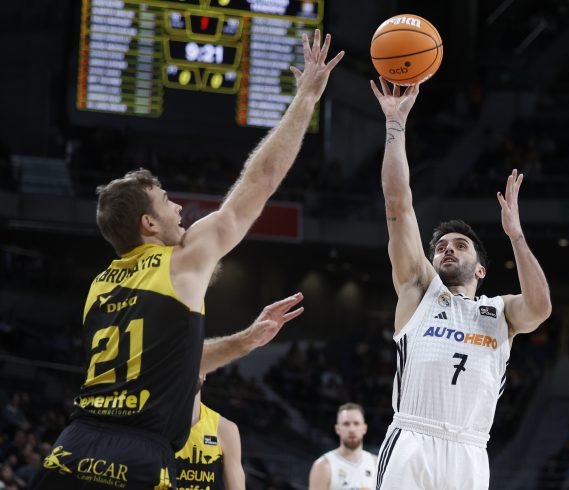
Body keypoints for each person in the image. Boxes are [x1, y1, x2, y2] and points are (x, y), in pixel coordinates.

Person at [29, 30, 343, 490]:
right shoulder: (181, 261)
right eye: (166, 201)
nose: (178, 208)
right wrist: (307, 98)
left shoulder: (99, 285)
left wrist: (246, 340)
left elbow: (173, 361)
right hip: (137, 455)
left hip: (70, 449)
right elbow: (261, 182)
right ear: (148, 225)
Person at [369, 78, 552, 490]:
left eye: (460, 245)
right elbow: (398, 202)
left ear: (481, 269)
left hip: (470, 450)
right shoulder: (419, 291)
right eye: (441, 247)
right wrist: (395, 124)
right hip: (413, 437)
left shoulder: (500, 313)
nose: (448, 250)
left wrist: (516, 235)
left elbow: (540, 309)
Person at [175, 376, 243, 490]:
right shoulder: (151, 425)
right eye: (189, 360)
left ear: (206, 373)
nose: (195, 366)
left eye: (199, 362)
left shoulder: (226, 430)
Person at [308, 403, 377, 490]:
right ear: (337, 429)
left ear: (364, 428)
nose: (352, 429)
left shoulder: (376, 464)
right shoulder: (323, 466)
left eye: (356, 423)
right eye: (346, 424)